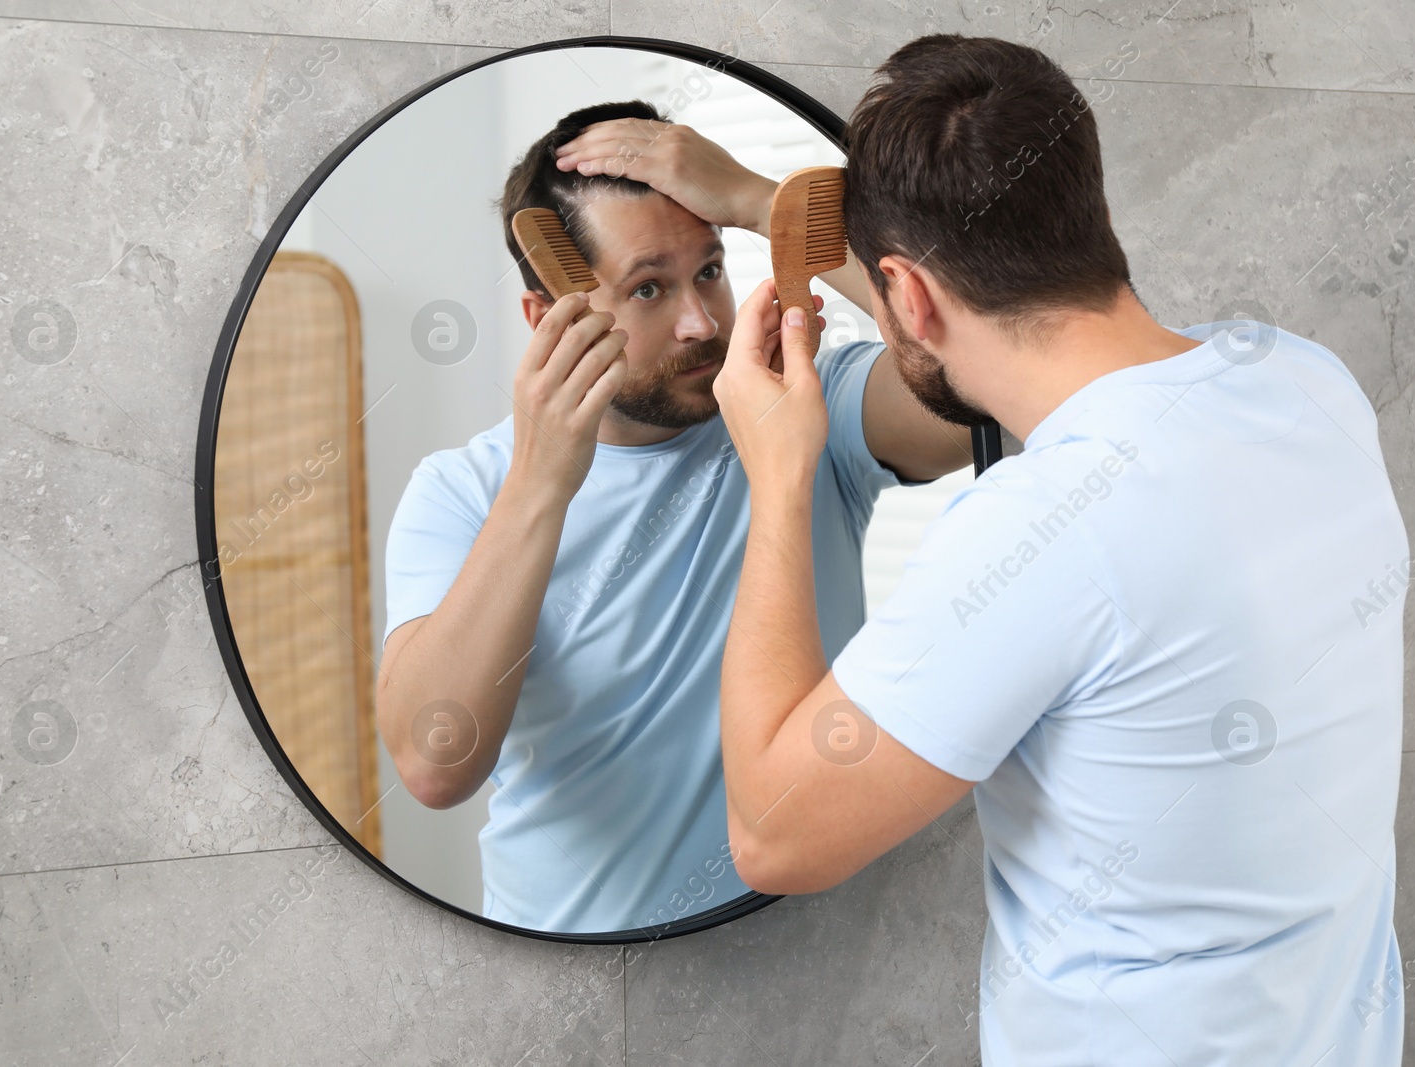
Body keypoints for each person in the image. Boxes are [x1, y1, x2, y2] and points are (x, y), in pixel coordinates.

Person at [712, 34, 1407, 1066]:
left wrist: (777, 474)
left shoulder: (1045, 531)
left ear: (904, 295)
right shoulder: (1309, 386)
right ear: (1085, 207)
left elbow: (773, 833)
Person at [375, 99, 975, 934]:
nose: (701, 322)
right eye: (649, 287)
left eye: (710, 270)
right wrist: (543, 482)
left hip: (826, 964)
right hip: (565, 974)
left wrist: (761, 202)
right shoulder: (462, 493)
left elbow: (989, 376)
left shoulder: (807, 407)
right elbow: (435, 762)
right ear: (549, 319)